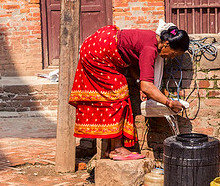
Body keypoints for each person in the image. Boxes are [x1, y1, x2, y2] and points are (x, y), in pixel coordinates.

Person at [69, 22, 189, 160]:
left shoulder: (151, 38)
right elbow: (147, 86)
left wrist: (139, 82)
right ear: (166, 44)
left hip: (98, 44)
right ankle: (116, 149)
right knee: (118, 95)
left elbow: (131, 61)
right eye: (173, 54)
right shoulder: (150, 49)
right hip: (97, 53)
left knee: (116, 94)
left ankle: (110, 148)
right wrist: (169, 103)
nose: (171, 58)